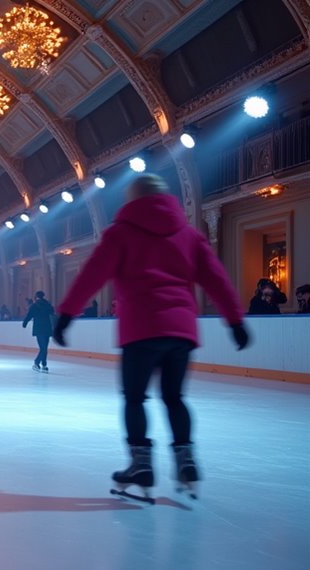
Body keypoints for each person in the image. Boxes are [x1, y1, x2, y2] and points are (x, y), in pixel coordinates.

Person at [52, 174, 249, 502]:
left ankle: (141, 463)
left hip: (140, 330)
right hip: (180, 332)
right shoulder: (189, 235)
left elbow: (91, 276)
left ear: (131, 200)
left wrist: (67, 314)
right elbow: (217, 279)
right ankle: (185, 459)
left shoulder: (120, 234)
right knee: (175, 398)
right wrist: (235, 320)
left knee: (134, 398)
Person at [22, 290, 55, 372]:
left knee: (42, 348)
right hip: (47, 328)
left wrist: (25, 323)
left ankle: (37, 362)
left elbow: (29, 315)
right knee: (44, 348)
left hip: (38, 328)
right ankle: (44, 364)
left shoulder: (34, 306)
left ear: (36, 297)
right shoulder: (48, 305)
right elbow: (52, 312)